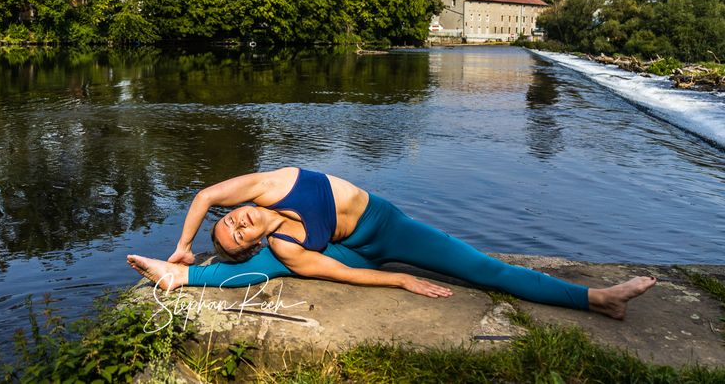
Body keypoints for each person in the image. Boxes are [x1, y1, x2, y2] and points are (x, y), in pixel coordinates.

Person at [126, 167, 655, 319]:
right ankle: (181, 277)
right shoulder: (284, 245)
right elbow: (345, 274)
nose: (240, 224)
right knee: (279, 267)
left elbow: (203, 194)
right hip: (352, 253)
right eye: (238, 236)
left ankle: (595, 298)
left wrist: (183, 242)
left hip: (388, 226)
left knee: (479, 267)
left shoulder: (266, 184)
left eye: (233, 221)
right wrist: (398, 278)